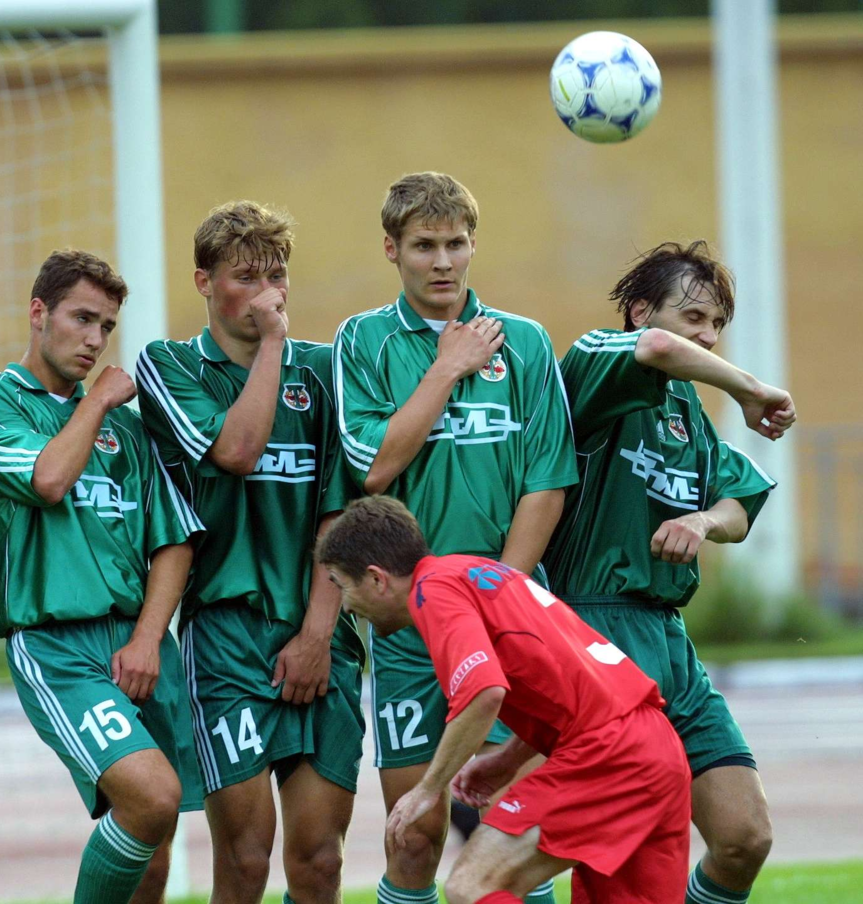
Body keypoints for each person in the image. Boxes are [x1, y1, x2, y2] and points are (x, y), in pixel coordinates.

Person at [331, 172, 576, 904]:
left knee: (516, 831)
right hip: (409, 624)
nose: (443, 261)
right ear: (391, 249)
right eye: (424, 246)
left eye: (456, 244)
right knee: (415, 831)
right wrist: (447, 366)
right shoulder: (364, 341)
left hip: (510, 616)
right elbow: (375, 466)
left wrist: (499, 595)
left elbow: (547, 480)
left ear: (474, 245)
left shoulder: (526, 344)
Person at [543, 240, 796, 904]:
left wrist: (704, 523)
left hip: (668, 641)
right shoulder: (596, 360)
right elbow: (655, 351)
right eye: (694, 318)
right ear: (639, 311)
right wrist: (750, 387)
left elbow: (741, 500)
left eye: (717, 324)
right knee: (602, 852)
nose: (708, 336)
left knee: (744, 836)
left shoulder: (687, 414)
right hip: (592, 629)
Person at [0, 249, 204, 904]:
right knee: (151, 798)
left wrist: (150, 638)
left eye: (106, 327)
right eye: (82, 319)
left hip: (140, 643)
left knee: (156, 848)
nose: (94, 340)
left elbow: (173, 540)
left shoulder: (126, 426)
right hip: (58, 647)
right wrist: (94, 403)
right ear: (39, 313)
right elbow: (49, 479)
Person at [135, 201, 364, 904]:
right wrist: (271, 347)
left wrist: (318, 637)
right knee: (245, 856)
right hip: (226, 636)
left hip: (321, 628)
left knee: (321, 860)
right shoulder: (168, 367)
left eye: (278, 275)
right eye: (246, 277)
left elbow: (342, 514)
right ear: (204, 281)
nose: (268, 294)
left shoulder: (326, 371)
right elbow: (237, 452)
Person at [318, 496, 692, 904]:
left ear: (376, 579)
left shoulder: (433, 591)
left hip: (606, 756)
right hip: (656, 747)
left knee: (473, 887)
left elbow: (483, 691)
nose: (346, 605)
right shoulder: (477, 573)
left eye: (341, 585)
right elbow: (567, 689)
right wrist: (508, 760)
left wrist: (428, 788)